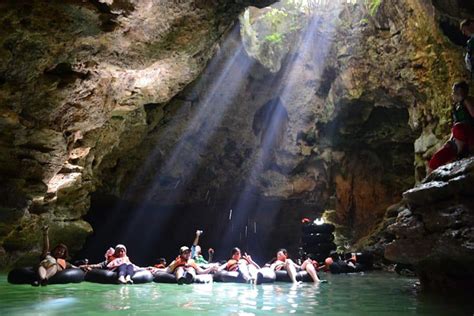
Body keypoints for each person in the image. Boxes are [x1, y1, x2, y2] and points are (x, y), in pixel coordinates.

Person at [429, 81, 474, 171]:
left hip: (469, 135)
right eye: (453, 92)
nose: (453, 94)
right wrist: (449, 140)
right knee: (435, 160)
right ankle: (427, 178)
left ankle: (461, 152)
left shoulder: (468, 101)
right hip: (457, 138)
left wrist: (464, 99)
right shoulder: (455, 107)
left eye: (455, 91)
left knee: (458, 127)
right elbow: (454, 126)